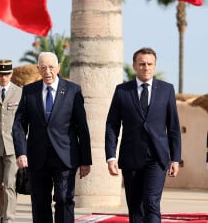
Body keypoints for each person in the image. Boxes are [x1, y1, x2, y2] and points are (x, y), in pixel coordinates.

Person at [12, 51, 92, 223]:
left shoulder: (73, 91)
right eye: (43, 68)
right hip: (37, 156)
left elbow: (82, 128)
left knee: (64, 198)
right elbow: (19, 125)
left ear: (58, 68)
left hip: (65, 156)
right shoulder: (29, 91)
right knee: (40, 202)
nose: (47, 71)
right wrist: (21, 152)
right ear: (38, 69)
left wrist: (86, 159)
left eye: (50, 67)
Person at [105, 47, 182, 223]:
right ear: (134, 66)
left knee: (151, 203)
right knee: (135, 208)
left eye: (149, 64)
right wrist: (111, 157)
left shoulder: (166, 90)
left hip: (158, 158)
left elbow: (173, 127)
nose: (146, 67)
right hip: (131, 158)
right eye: (142, 64)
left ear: (154, 66)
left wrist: (175, 158)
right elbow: (112, 126)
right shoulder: (122, 91)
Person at [0, 60, 22, 223]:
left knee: (10, 184)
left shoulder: (19, 93)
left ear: (11, 74)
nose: (3, 77)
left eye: (6, 74)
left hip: (13, 146)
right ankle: (3, 216)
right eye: (0, 74)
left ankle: (8, 219)